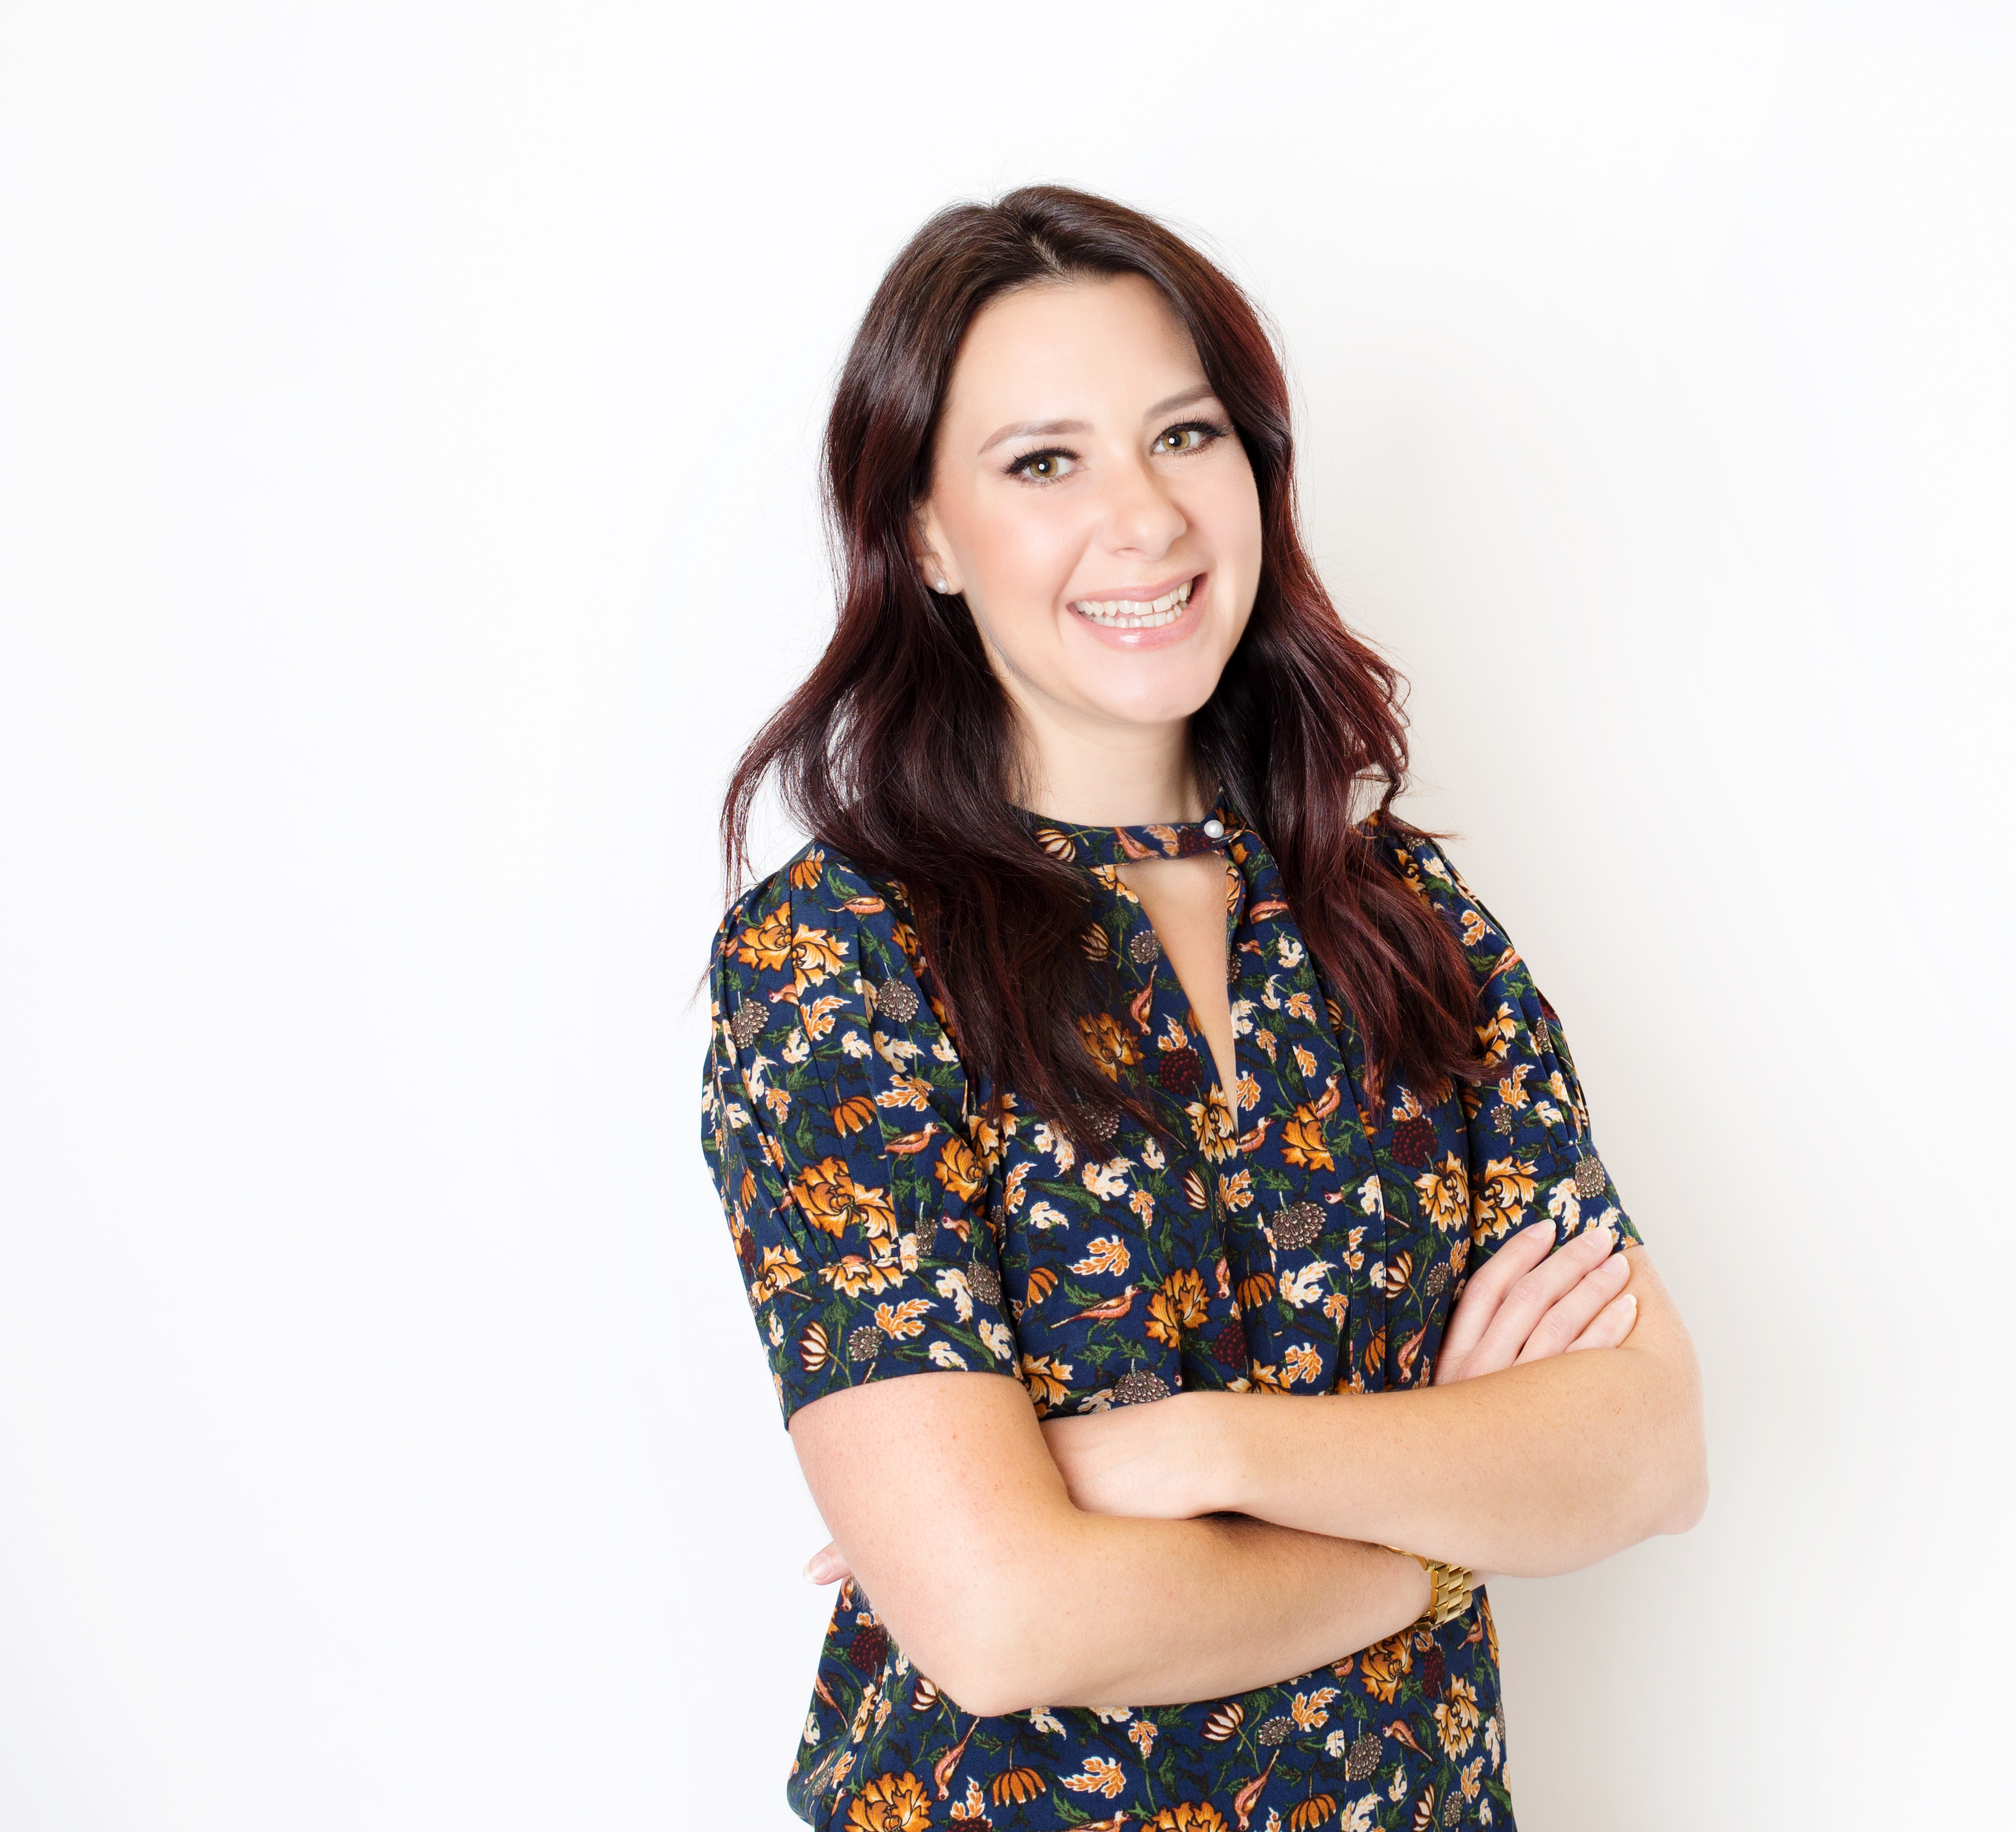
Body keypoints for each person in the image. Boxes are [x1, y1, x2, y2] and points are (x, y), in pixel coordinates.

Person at [700, 185, 1706, 1832]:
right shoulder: (842, 964)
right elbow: (1002, 1617)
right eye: (1045, 463)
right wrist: (1436, 1524)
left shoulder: (1404, 924)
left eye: (1185, 436)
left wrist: (1196, 1452)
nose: (1146, 518)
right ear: (927, 535)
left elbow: (1648, 1449)